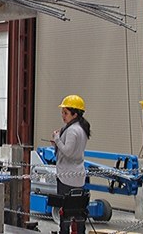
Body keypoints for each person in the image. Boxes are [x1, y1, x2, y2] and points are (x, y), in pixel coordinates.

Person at [52, 94, 92, 234]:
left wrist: (57, 140)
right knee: (78, 212)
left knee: (66, 213)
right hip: (78, 176)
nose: (63, 116)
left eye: (65, 113)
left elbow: (68, 152)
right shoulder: (81, 129)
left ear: (74, 114)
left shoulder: (72, 130)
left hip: (66, 177)